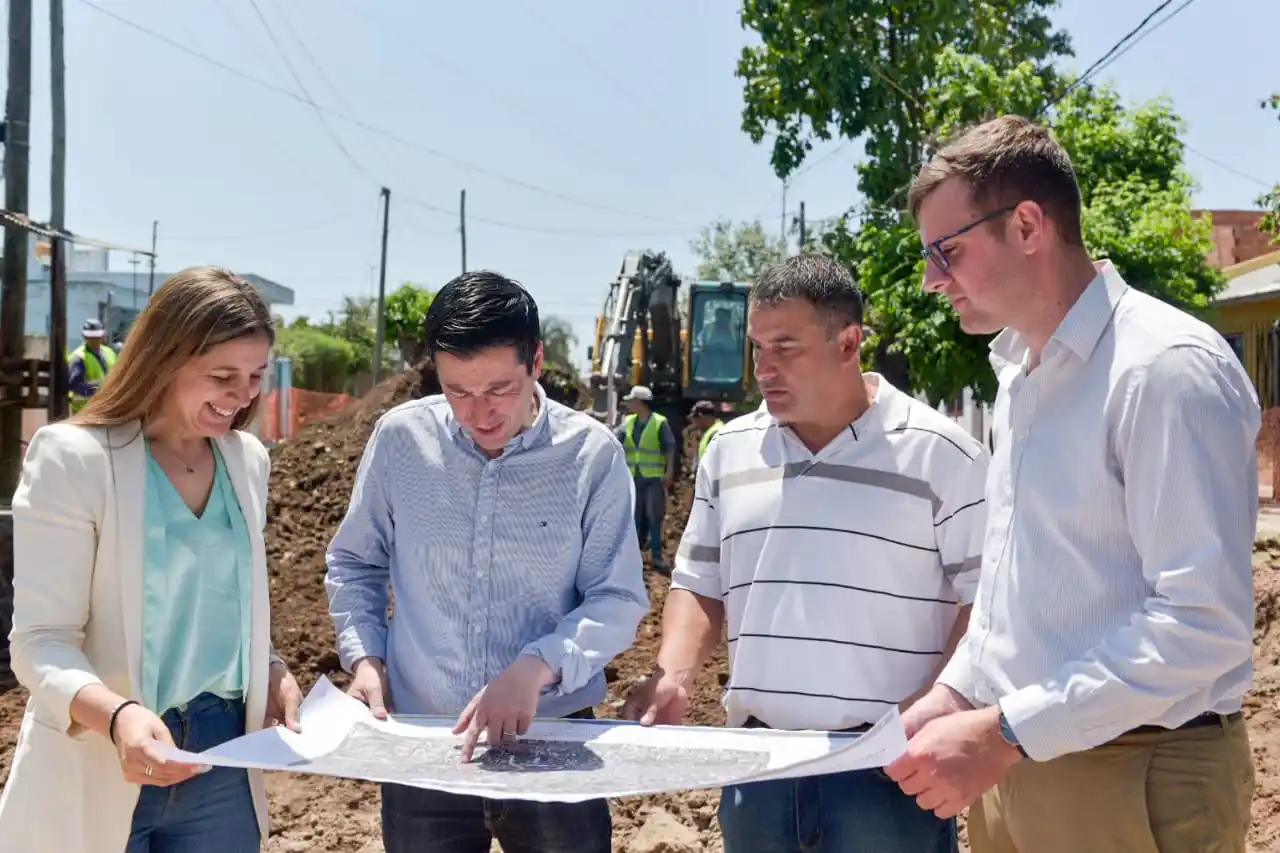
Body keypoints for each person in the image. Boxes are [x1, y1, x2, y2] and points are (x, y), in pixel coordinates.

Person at [885, 114, 1260, 853]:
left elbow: (1201, 622)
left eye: (947, 251)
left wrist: (1006, 730)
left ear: (1027, 225)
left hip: (1135, 773)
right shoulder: (1022, 377)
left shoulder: (1162, 369)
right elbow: (1018, 593)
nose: (932, 279)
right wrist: (958, 693)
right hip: (1022, 761)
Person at [622, 254, 989, 853]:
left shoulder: (943, 455)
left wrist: (933, 712)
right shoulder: (730, 450)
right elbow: (699, 581)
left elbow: (987, 605)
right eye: (756, 348)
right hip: (759, 773)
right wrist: (676, 675)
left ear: (849, 343)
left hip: (887, 775)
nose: (763, 369)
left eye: (784, 348)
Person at [324, 270, 649, 853]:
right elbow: (356, 563)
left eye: (500, 389)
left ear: (537, 363)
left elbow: (617, 597)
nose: (480, 413)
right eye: (458, 391)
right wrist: (366, 659)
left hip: (553, 741)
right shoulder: (401, 442)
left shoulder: (591, 455)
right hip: (425, 741)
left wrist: (536, 667)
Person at [0, 266, 304, 853]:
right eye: (222, 375)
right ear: (164, 360)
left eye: (255, 376)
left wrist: (268, 667)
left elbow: (226, 602)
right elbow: (40, 640)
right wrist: (118, 718)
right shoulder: (74, 458)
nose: (243, 396)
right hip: (102, 756)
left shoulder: (247, 461)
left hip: (223, 760)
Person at [614, 384, 676, 572]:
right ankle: (633, 557)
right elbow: (615, 441)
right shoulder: (628, 421)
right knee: (634, 518)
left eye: (631, 401)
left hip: (653, 477)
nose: (629, 404)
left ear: (640, 402)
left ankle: (656, 556)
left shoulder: (659, 422)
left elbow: (669, 448)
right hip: (634, 476)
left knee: (654, 516)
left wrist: (669, 471)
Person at [68, 317, 118, 414]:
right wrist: (98, 391)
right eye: (91, 337)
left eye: (96, 337)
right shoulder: (79, 357)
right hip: (84, 412)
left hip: (106, 409)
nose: (94, 340)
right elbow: (74, 384)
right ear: (85, 337)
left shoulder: (109, 353)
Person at [689, 399, 724, 466]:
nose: (694, 423)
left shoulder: (715, 433)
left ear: (701, 416)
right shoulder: (709, 432)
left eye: (695, 419)